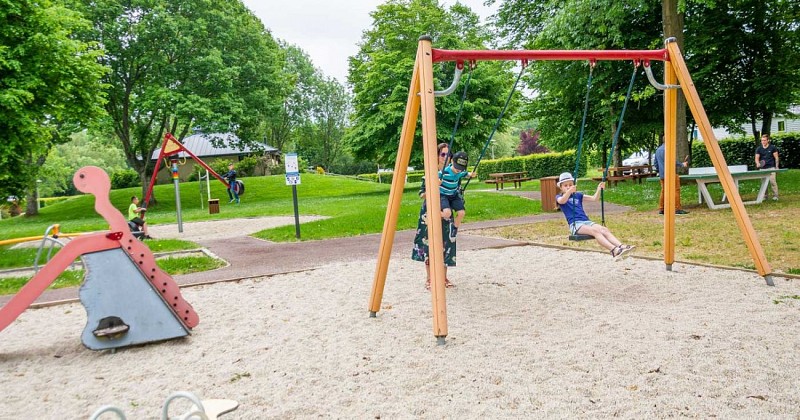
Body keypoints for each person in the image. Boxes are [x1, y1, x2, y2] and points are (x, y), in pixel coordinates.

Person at [555, 172, 634, 260]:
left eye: (570, 184)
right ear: (561, 187)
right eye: (566, 185)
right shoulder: (559, 196)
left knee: (604, 229)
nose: (568, 187)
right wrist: (569, 191)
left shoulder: (578, 195)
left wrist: (599, 189)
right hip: (575, 224)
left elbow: (594, 198)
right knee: (595, 231)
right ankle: (614, 250)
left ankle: (621, 246)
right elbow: (562, 201)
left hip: (586, 221)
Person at [412, 142, 456, 291]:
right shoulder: (430, 174)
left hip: (446, 211)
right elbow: (422, 194)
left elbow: (456, 192)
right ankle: (430, 278)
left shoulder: (453, 173)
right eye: (443, 154)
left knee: (447, 244)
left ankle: (443, 277)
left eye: (448, 154)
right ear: (437, 156)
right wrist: (434, 186)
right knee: (428, 243)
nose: (446, 157)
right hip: (430, 212)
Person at [437, 150, 476, 239]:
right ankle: (434, 214)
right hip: (443, 195)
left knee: (461, 213)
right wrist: (437, 182)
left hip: (454, 195)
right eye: (457, 167)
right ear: (451, 161)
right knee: (447, 213)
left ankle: (454, 228)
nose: (458, 170)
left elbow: (466, 174)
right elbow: (434, 181)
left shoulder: (460, 172)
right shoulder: (443, 172)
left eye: (461, 168)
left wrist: (471, 174)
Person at [653, 139, 689, 215]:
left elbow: (655, 163)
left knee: (664, 191)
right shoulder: (668, 149)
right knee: (676, 190)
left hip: (662, 174)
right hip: (671, 174)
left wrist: (660, 171)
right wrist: (682, 164)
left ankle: (662, 209)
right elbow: (672, 161)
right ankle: (677, 209)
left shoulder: (658, 150)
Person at [755, 133, 779, 201]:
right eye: (762, 140)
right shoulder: (759, 149)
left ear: (768, 140)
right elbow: (757, 158)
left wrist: (776, 167)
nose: (763, 142)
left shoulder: (772, 148)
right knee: (763, 183)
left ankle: (775, 196)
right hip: (762, 169)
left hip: (771, 168)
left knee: (773, 182)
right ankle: (765, 196)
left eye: (764, 140)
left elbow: (776, 158)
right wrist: (757, 163)